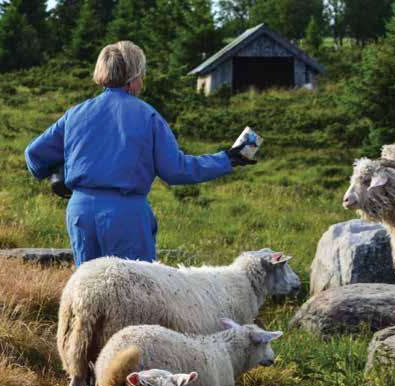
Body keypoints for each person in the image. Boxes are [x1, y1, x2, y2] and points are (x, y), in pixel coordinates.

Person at [24, 41, 255, 267]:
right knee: (133, 297)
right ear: (132, 78)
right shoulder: (148, 116)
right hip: (125, 215)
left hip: (80, 212)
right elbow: (176, 170)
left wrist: (58, 177)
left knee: (90, 293)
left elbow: (34, 155)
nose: (142, 80)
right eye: (141, 74)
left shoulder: (75, 114)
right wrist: (227, 159)